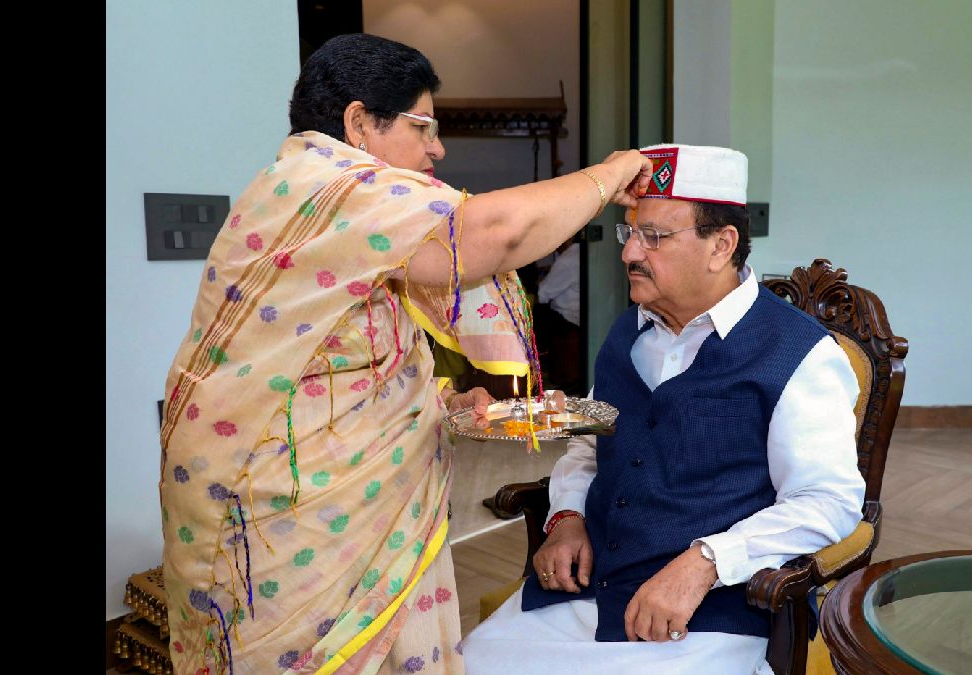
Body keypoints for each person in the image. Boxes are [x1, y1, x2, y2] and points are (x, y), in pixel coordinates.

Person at [158, 33, 653, 674]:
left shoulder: (308, 190)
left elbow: (338, 347)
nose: (436, 149)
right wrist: (610, 173)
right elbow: (494, 234)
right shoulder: (332, 188)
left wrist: (440, 399)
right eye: (422, 127)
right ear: (359, 123)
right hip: (292, 508)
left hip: (330, 489)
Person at [463, 144, 867, 675]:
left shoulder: (798, 353)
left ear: (721, 245)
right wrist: (566, 519)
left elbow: (828, 501)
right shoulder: (628, 332)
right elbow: (591, 448)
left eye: (653, 237)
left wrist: (705, 563)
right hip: (583, 597)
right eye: (630, 233)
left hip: (708, 619)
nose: (630, 253)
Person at [534, 238, 582, 392]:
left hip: (567, 318)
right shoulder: (582, 253)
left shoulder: (569, 259)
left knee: (533, 314)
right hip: (580, 315)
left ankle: (539, 374)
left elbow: (542, 294)